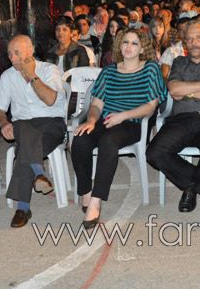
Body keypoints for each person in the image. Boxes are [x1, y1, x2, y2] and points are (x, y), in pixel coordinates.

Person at [71, 28, 167, 229]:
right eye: (125, 42)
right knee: (80, 138)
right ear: (119, 46)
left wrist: (122, 116)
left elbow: (151, 106)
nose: (128, 46)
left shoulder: (150, 69)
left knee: (108, 142)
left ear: (142, 49)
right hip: (106, 119)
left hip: (133, 123)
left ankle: (96, 200)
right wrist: (91, 120)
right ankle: (85, 192)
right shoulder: (109, 71)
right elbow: (96, 104)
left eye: (134, 43)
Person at [146, 21, 200, 213]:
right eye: (189, 39)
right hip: (182, 119)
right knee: (154, 153)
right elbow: (173, 90)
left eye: (198, 38)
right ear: (185, 42)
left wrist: (187, 92)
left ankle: (191, 189)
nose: (194, 43)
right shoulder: (179, 62)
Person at [0, 35, 68, 228]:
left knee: (25, 148)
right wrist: (4, 123)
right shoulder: (7, 76)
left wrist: (32, 75)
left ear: (30, 51)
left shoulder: (49, 70)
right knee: (22, 126)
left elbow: (50, 100)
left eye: (17, 52)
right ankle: (35, 181)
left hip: (51, 124)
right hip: (23, 125)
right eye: (9, 54)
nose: (12, 58)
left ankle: (25, 204)